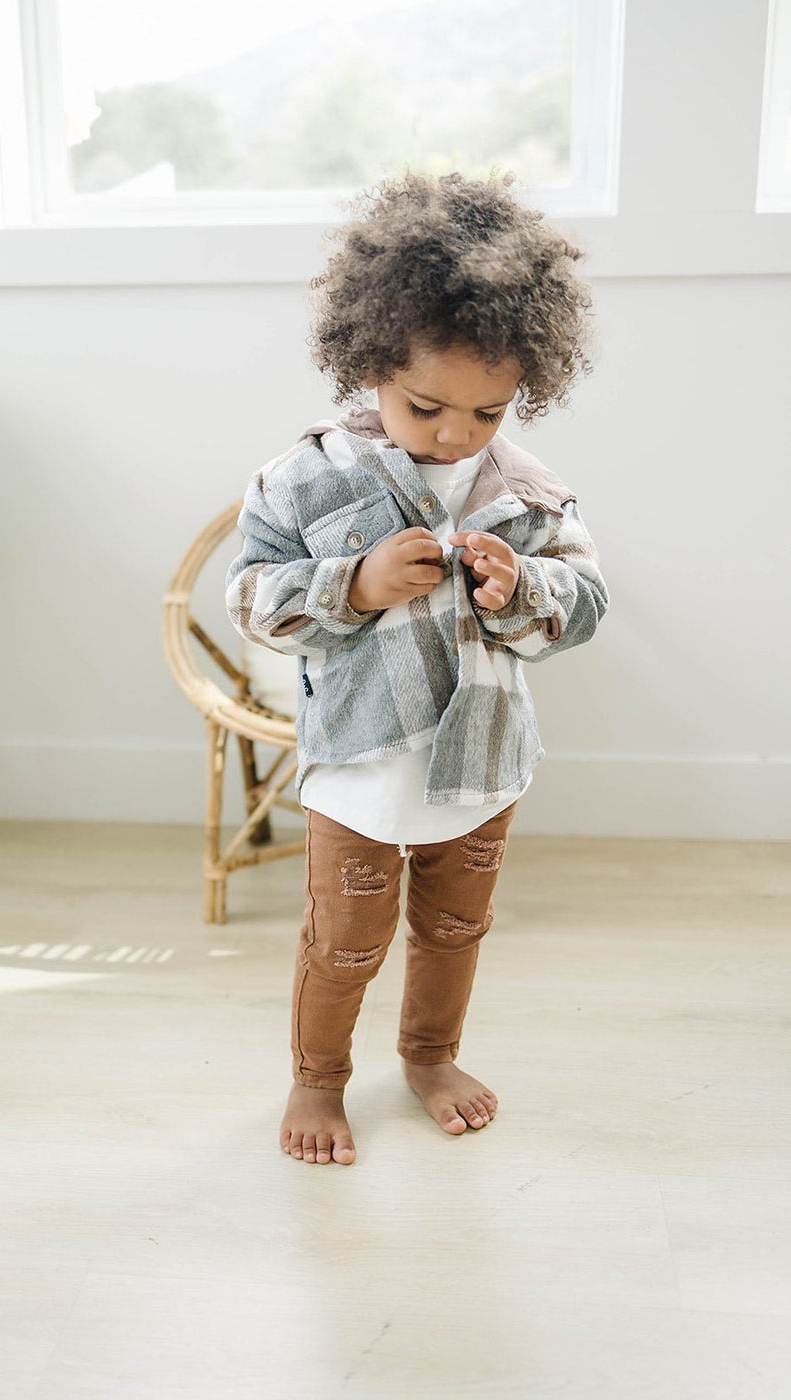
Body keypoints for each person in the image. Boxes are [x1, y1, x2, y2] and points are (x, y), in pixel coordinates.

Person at [225, 169, 610, 1166]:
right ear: (369, 360)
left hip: (482, 762)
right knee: (345, 938)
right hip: (360, 763)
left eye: (486, 413)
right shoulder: (306, 475)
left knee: (453, 928)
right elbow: (251, 599)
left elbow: (585, 605)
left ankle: (430, 1055)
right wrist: (352, 583)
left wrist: (520, 586)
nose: (453, 432)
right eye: (426, 404)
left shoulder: (531, 493)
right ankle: (318, 1076)